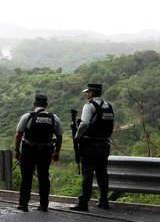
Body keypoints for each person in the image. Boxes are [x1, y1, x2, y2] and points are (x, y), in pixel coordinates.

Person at [14, 93, 63, 212]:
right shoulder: (53, 118)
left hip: (29, 150)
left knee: (26, 177)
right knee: (44, 177)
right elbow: (60, 136)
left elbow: (19, 134)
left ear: (34, 104)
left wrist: (17, 150)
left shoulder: (28, 116)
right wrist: (56, 152)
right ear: (46, 105)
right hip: (45, 151)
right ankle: (44, 205)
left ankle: (24, 204)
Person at [71, 83, 115, 211]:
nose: (87, 95)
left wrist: (77, 137)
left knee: (88, 174)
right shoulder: (108, 106)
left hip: (90, 145)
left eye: (88, 92)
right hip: (104, 144)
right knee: (102, 173)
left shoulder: (89, 106)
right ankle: (104, 200)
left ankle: (83, 202)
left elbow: (84, 123)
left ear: (91, 93)